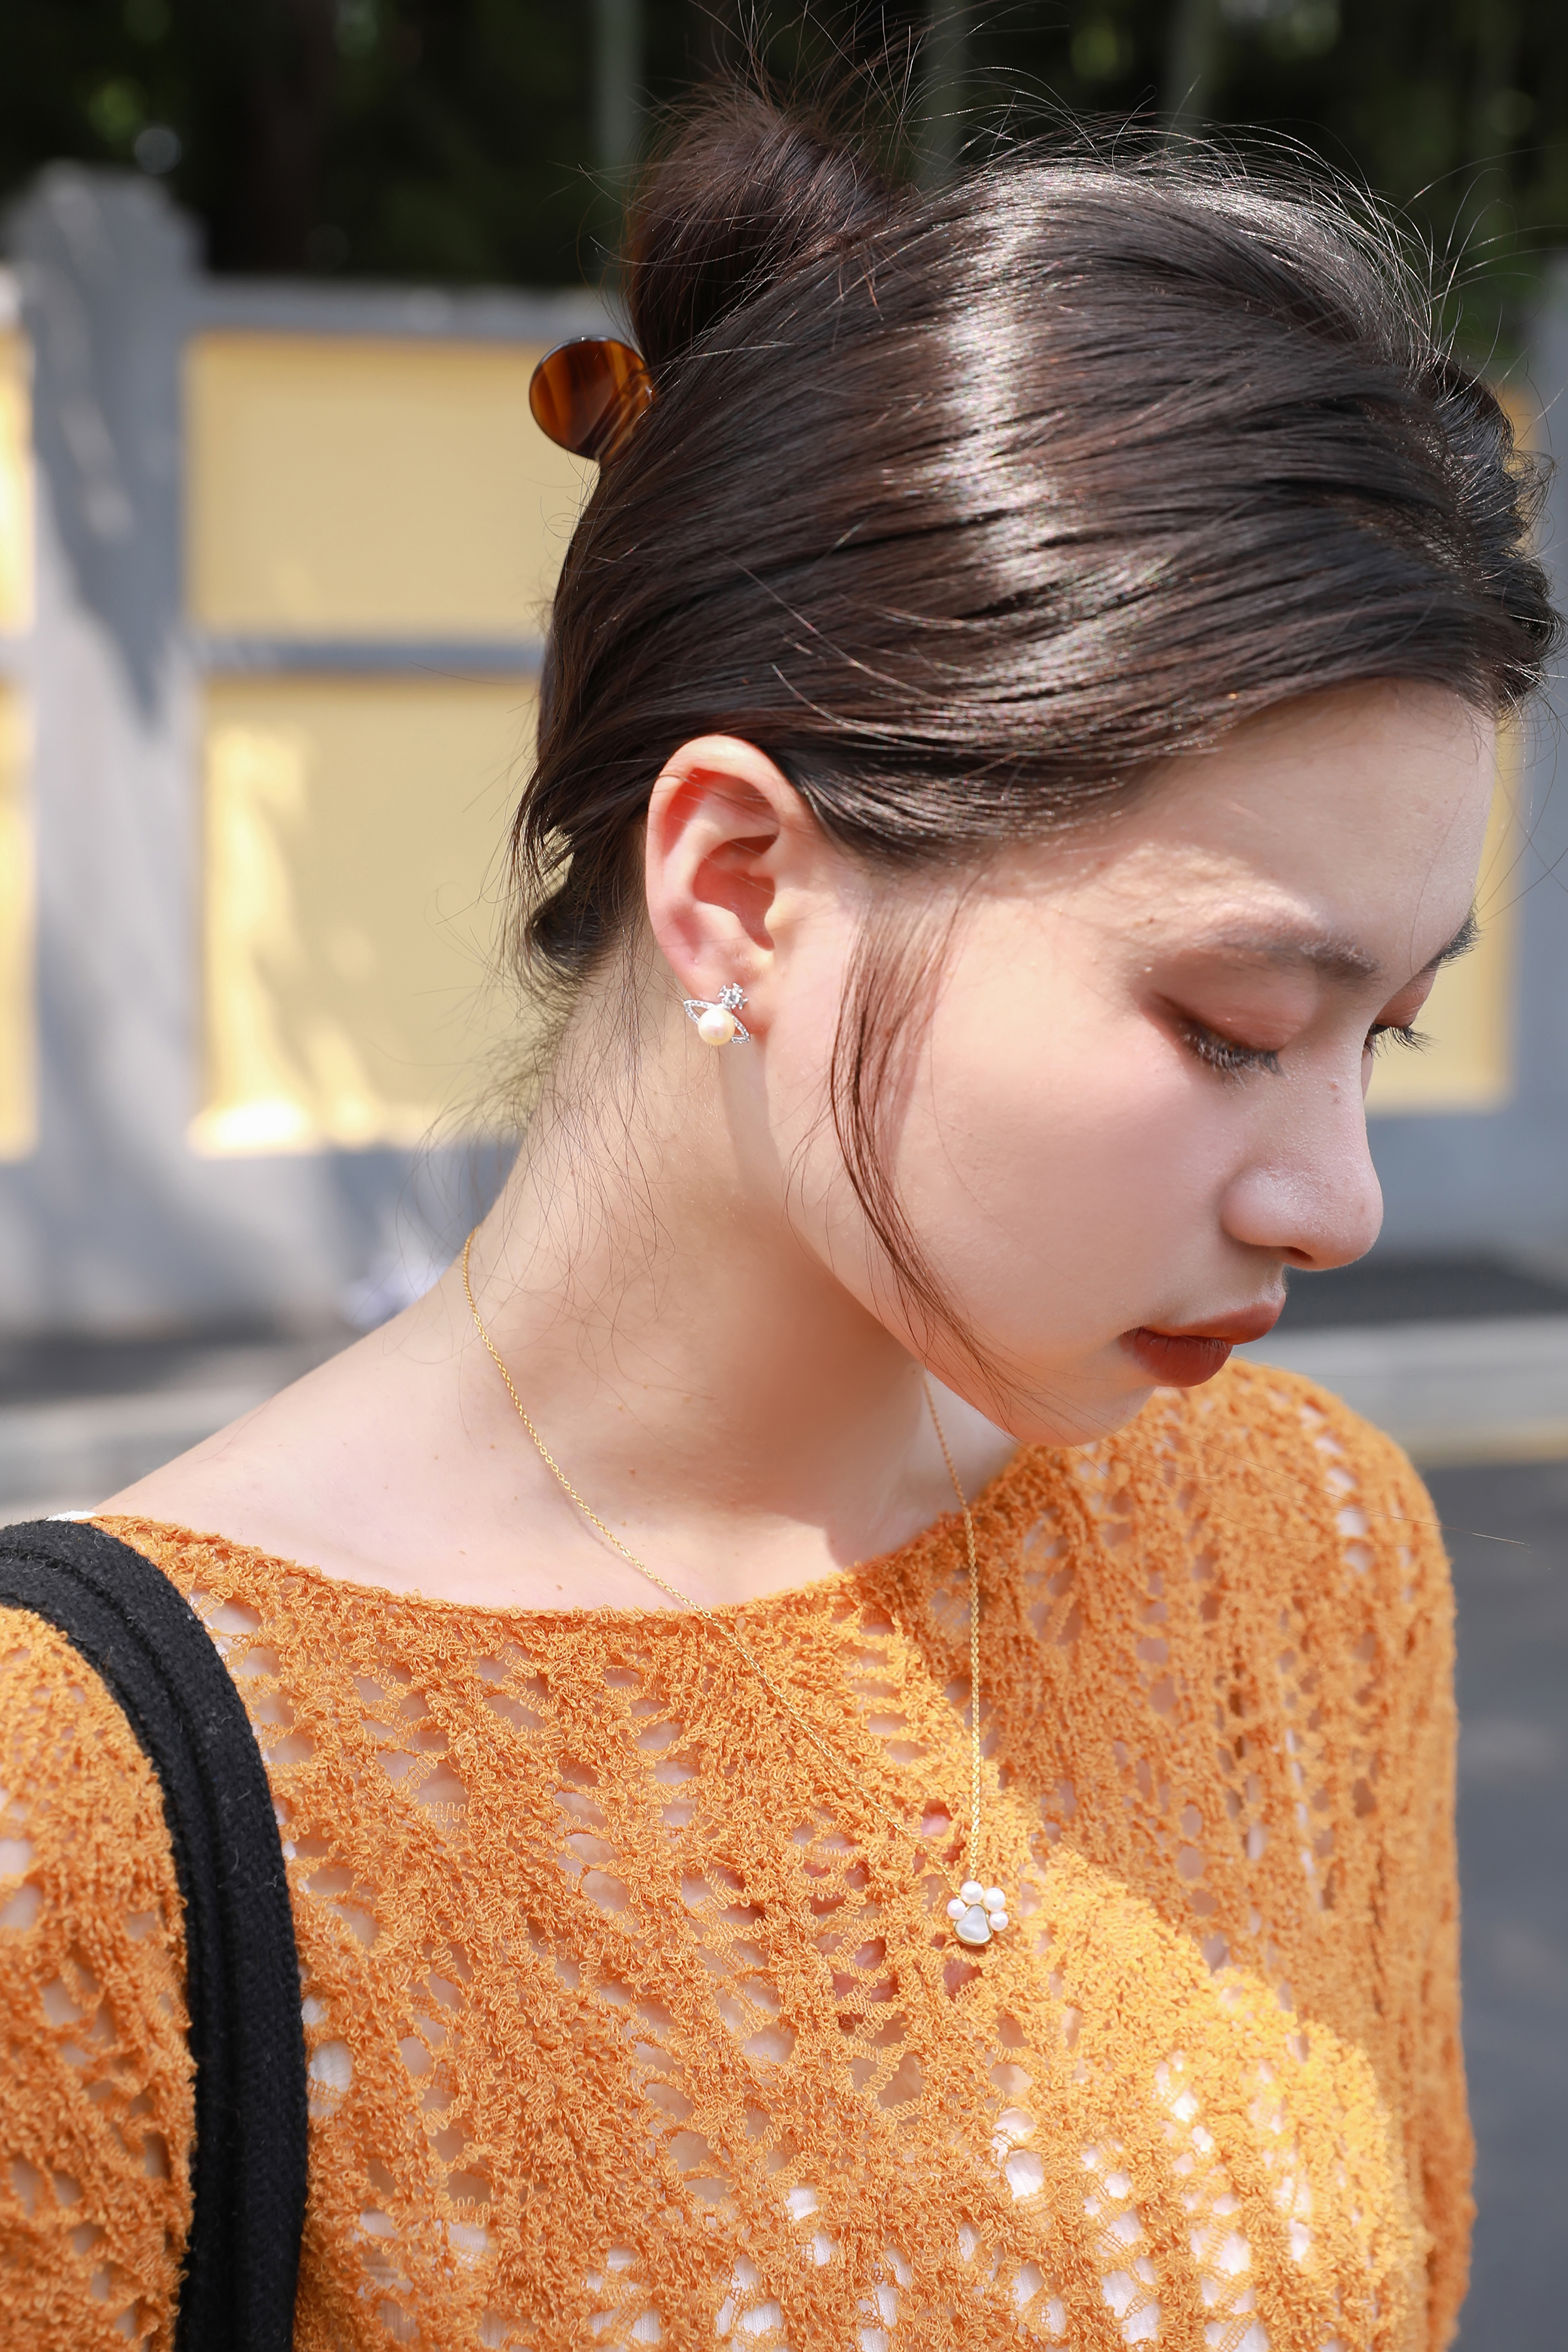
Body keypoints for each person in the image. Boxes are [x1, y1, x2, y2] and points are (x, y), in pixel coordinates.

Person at [1, 75, 1554, 2352]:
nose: (1342, 1201)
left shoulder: (1303, 1557)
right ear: (740, 887)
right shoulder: (88, 1824)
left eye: (1384, 1035)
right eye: (1234, 1025)